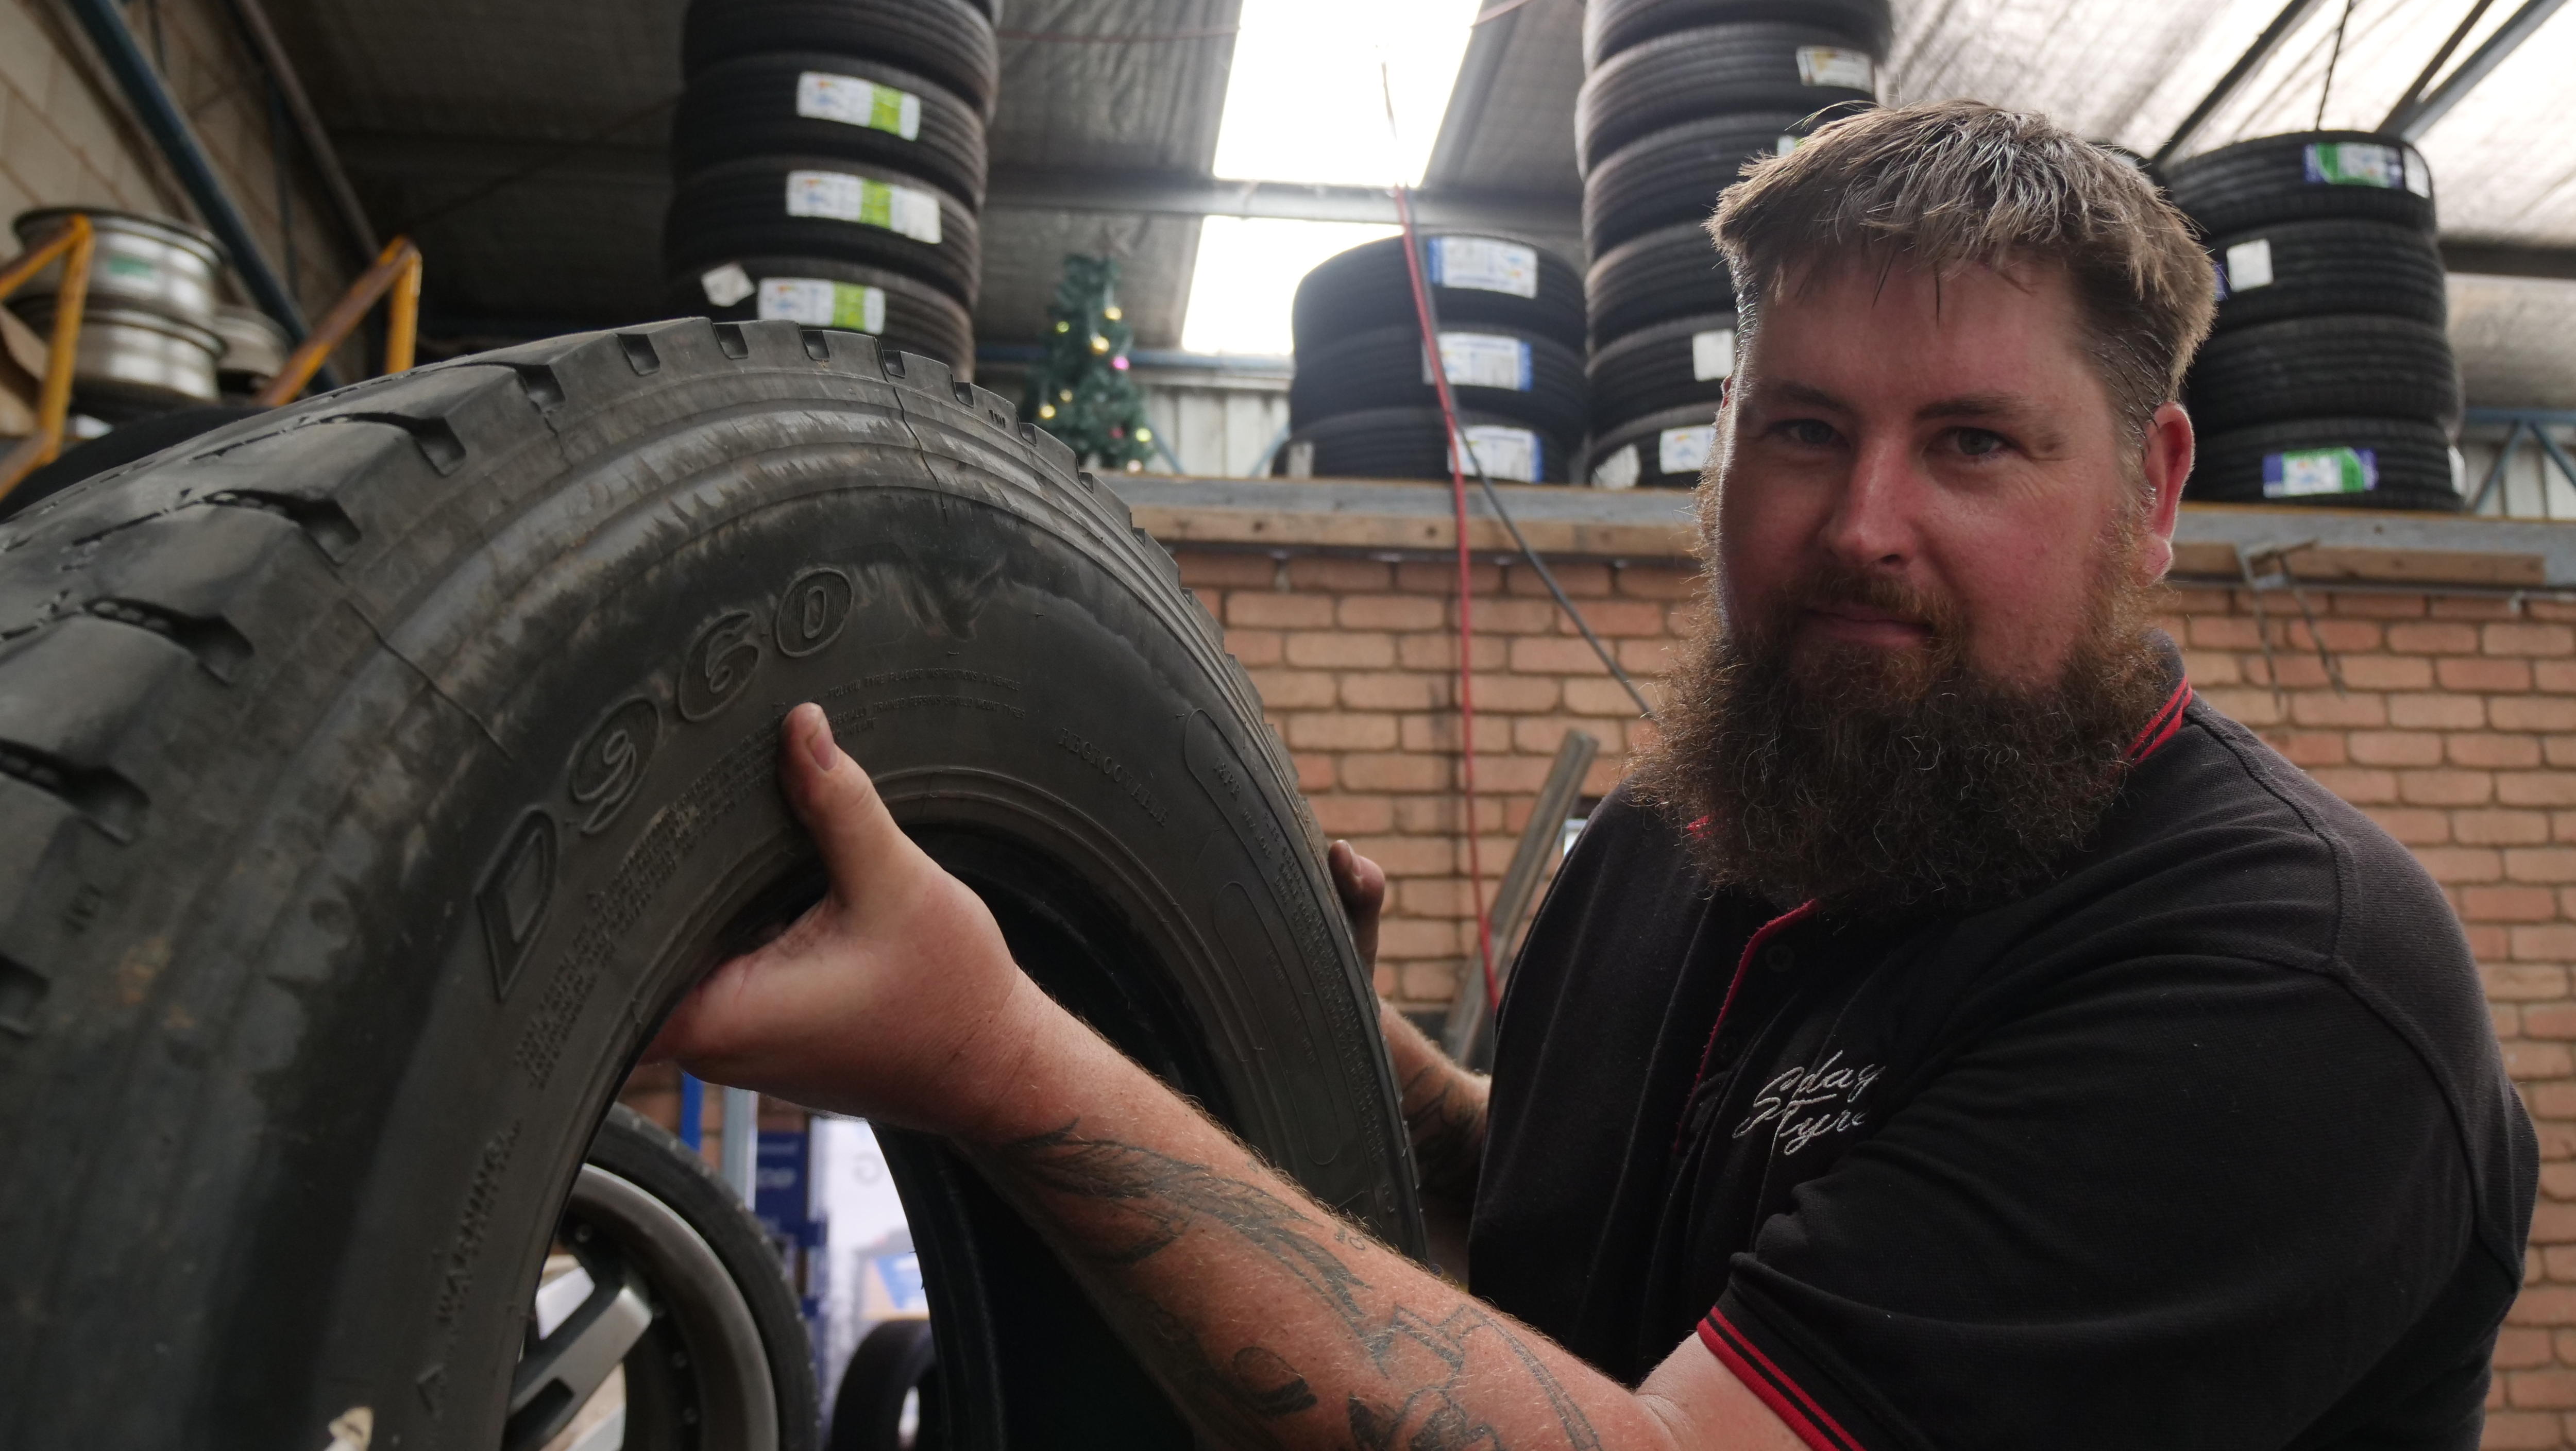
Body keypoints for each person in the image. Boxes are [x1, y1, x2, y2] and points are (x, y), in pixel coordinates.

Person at [652, 102, 2536, 1449]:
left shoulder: (2284, 982)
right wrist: (1296, 1030)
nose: (1862, 523)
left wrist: (999, 1058)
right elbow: (1564, 1221)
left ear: (2153, 491)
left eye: (1973, 445)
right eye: (1803, 430)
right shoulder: (1679, 837)